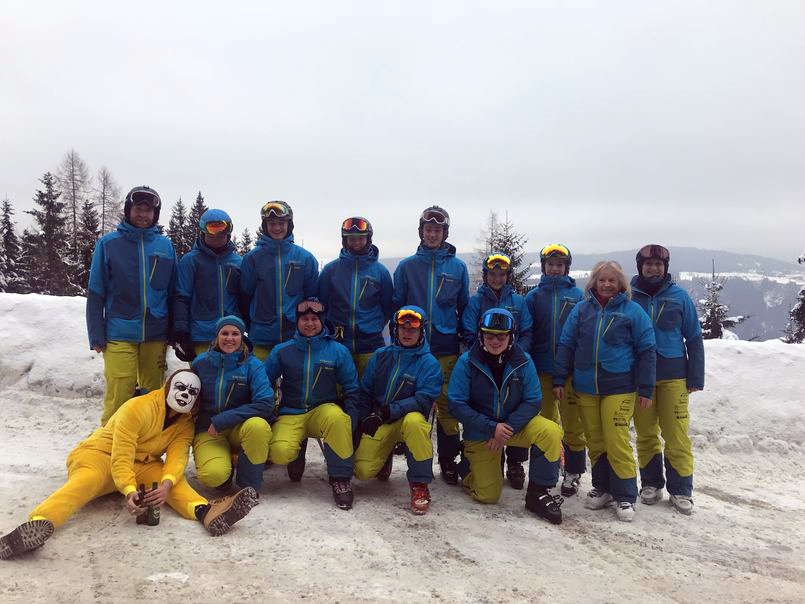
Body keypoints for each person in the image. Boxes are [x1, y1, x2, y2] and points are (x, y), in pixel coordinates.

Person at [0, 369, 259, 560]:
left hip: (143, 463)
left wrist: (167, 484)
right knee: (85, 482)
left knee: (172, 480)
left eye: (192, 392)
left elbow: (178, 457)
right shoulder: (137, 408)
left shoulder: (185, 423)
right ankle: (38, 523)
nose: (185, 395)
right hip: (100, 455)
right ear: (168, 387)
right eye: (180, 387)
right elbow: (121, 454)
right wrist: (129, 489)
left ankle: (205, 512)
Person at [553, 261, 656, 522]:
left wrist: (646, 387)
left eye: (612, 280)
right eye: (602, 280)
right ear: (593, 283)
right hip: (586, 386)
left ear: (621, 283)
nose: (607, 284)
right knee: (596, 440)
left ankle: (625, 495)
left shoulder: (633, 311)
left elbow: (647, 350)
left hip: (620, 386)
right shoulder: (582, 310)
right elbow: (566, 344)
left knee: (616, 438)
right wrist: (558, 378)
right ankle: (603, 487)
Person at [447, 308, 564, 524]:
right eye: (489, 335)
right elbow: (456, 403)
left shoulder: (523, 360)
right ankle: (468, 465)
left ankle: (538, 493)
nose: (495, 341)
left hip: (513, 427)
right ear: (481, 335)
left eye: (501, 336)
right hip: (482, 432)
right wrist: (491, 428)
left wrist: (505, 428)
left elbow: (533, 400)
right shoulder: (466, 362)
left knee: (550, 431)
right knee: (488, 496)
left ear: (511, 336)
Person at [86, 185, 176, 425]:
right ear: (129, 210)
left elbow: (172, 292)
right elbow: (96, 292)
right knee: (121, 390)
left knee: (152, 394)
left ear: (155, 215)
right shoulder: (109, 244)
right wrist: (96, 334)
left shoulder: (165, 246)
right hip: (119, 330)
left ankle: (146, 448)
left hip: (155, 333)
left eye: (148, 211)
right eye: (138, 209)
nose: (143, 215)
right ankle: (108, 446)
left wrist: (173, 331)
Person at [392, 206, 469, 484]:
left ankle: (448, 459)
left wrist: (465, 345)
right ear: (421, 232)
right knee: (412, 404)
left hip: (446, 347)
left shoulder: (458, 267)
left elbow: (464, 308)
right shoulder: (407, 267)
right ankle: (412, 456)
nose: (433, 234)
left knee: (447, 405)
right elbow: (396, 307)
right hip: (413, 349)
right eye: (428, 229)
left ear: (445, 233)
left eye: (438, 230)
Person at [264, 298, 360, 510]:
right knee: (280, 452)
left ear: (322, 321)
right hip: (291, 412)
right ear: (297, 322)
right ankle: (297, 450)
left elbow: (351, 388)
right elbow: (264, 381)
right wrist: (267, 412)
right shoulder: (282, 350)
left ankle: (340, 478)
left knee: (337, 418)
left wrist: (350, 421)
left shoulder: (337, 351)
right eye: (304, 319)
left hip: (323, 411)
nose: (309, 323)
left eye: (314, 319)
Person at [630, 245, 704, 515]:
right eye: (648, 264)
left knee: (676, 434)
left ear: (666, 267)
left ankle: (681, 489)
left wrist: (695, 375)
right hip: (640, 378)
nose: (653, 268)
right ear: (640, 267)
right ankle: (650, 483)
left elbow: (694, 337)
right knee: (647, 434)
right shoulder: (629, 296)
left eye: (659, 264)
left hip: (674, 375)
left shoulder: (679, 296)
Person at [353, 306, 443, 514]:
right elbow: (365, 391)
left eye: (413, 329)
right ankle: (384, 457)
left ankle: (420, 485)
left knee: (415, 422)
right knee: (362, 471)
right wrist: (362, 421)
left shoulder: (429, 363)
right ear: (395, 330)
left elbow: (423, 400)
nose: (407, 333)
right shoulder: (380, 355)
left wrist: (388, 411)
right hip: (381, 420)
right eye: (403, 328)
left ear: (422, 332)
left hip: (406, 421)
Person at [462, 252, 533, 489]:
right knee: (489, 407)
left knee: (514, 408)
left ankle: (515, 462)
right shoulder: (476, 301)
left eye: (501, 274)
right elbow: (470, 331)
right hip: (484, 362)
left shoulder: (519, 302)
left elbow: (527, 331)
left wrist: (515, 355)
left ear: (508, 276)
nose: (497, 278)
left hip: (513, 363)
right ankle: (480, 458)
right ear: (485, 276)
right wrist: (483, 355)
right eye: (492, 274)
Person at [525, 244, 587, 497]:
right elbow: (527, 331)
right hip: (541, 369)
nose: (554, 268)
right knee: (545, 423)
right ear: (543, 267)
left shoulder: (578, 296)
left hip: (570, 371)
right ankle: (546, 471)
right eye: (550, 264)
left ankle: (573, 472)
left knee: (573, 424)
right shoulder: (534, 297)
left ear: (566, 267)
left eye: (559, 265)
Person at [192, 316, 275, 493]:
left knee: (258, 427)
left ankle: (249, 485)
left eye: (235, 333)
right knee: (213, 476)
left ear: (242, 337)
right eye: (225, 333)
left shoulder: (253, 365)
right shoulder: (200, 363)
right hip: (209, 430)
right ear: (216, 337)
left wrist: (223, 420)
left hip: (240, 427)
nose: (230, 338)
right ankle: (225, 469)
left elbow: (266, 403)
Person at [240, 201, 318, 361]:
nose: (276, 228)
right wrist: (252, 325)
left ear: (289, 225)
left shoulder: (305, 258)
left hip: (295, 338)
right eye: (271, 223)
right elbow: (244, 297)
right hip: (261, 339)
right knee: (261, 384)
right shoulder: (252, 258)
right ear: (265, 225)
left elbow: (312, 299)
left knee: (294, 385)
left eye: (281, 223)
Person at [318, 216, 393, 376]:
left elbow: (388, 307)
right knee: (340, 388)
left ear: (368, 239)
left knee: (371, 387)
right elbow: (321, 305)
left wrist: (374, 326)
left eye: (360, 238)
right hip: (338, 341)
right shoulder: (331, 271)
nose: (356, 242)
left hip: (371, 342)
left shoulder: (381, 272)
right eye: (351, 239)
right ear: (344, 241)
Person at [174, 209, 243, 362]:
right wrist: (181, 332)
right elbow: (181, 297)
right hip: (201, 335)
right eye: (212, 228)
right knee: (203, 380)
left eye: (222, 229)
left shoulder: (238, 262)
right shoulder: (191, 261)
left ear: (229, 230)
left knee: (230, 382)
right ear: (203, 230)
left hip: (231, 335)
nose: (217, 235)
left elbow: (244, 298)